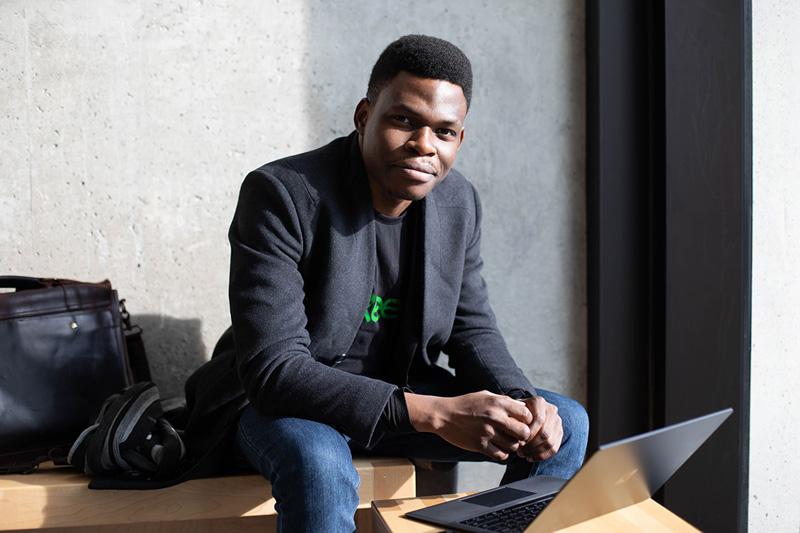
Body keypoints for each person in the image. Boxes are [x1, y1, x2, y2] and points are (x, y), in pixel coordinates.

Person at [196, 34, 588, 532]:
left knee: (565, 422)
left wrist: (518, 398)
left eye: (444, 132)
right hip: (291, 406)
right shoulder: (283, 194)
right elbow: (275, 370)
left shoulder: (457, 204)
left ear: (460, 140)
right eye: (404, 120)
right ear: (364, 116)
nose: (424, 145)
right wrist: (433, 413)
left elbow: (471, 330)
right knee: (318, 462)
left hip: (402, 400)